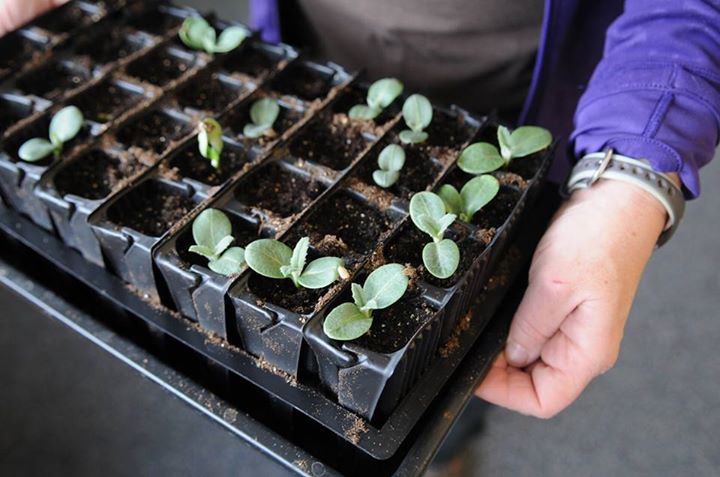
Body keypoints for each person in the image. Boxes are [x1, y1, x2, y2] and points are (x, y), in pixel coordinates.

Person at [2, 0, 717, 421]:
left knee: (466, 341)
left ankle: (450, 442)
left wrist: (632, 175)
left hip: (521, 87)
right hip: (308, 51)